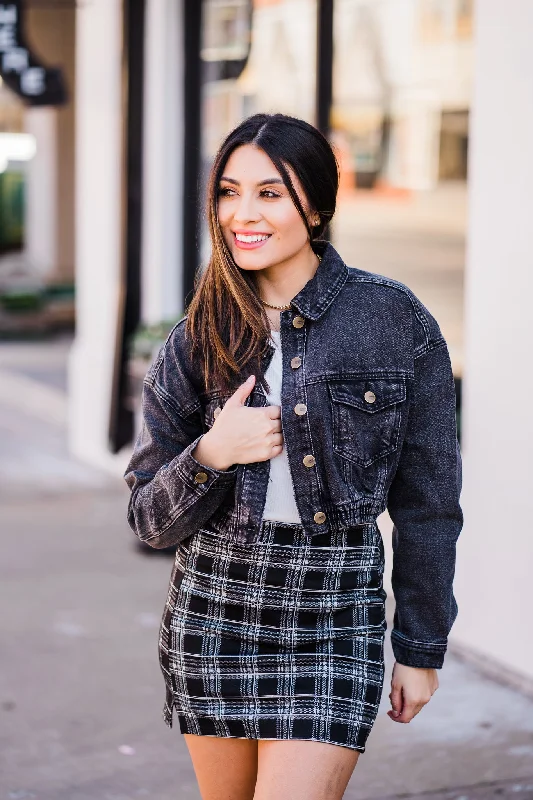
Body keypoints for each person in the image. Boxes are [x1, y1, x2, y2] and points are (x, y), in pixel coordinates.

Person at [124, 112, 463, 800]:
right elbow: (147, 520)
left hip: (336, 615)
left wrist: (419, 647)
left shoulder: (394, 322)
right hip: (216, 610)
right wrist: (212, 453)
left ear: (314, 202)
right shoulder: (198, 337)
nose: (241, 214)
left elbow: (428, 505)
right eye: (227, 192)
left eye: (269, 193)